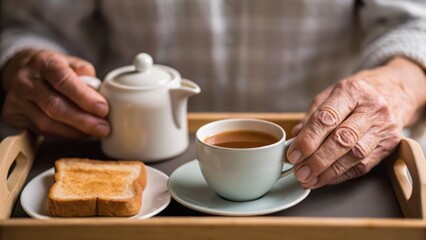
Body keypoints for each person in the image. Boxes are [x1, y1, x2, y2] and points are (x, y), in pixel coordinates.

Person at [1, 0, 426, 189]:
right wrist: (24, 65)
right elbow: (27, 24)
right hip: (135, 162)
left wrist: (398, 85)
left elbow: (414, 24)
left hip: (331, 161)